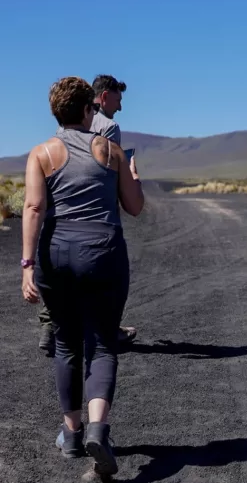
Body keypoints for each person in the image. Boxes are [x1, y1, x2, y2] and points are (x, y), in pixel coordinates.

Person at [21, 76, 144, 476]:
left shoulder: (42, 153)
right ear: (89, 110)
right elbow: (134, 206)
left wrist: (26, 266)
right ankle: (98, 429)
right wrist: (133, 176)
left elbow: (34, 208)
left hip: (56, 254)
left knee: (66, 343)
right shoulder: (109, 151)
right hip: (104, 251)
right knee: (103, 344)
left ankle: (72, 434)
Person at [37, 74, 136, 354]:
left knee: (58, 271)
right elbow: (106, 169)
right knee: (102, 277)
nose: (119, 107)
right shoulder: (109, 127)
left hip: (60, 209)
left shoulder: (65, 123)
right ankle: (107, 331)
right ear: (104, 97)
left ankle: (50, 331)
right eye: (117, 100)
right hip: (96, 214)